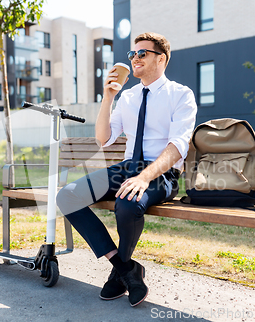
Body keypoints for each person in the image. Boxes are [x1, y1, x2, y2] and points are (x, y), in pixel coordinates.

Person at [56, 32, 197, 307]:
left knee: (128, 202)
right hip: (127, 168)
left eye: (142, 53)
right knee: (67, 196)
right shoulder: (129, 96)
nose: (135, 58)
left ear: (162, 59)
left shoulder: (181, 95)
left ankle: (119, 273)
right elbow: (103, 138)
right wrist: (108, 97)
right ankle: (125, 270)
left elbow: (178, 145)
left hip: (161, 173)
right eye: (132, 54)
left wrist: (144, 178)